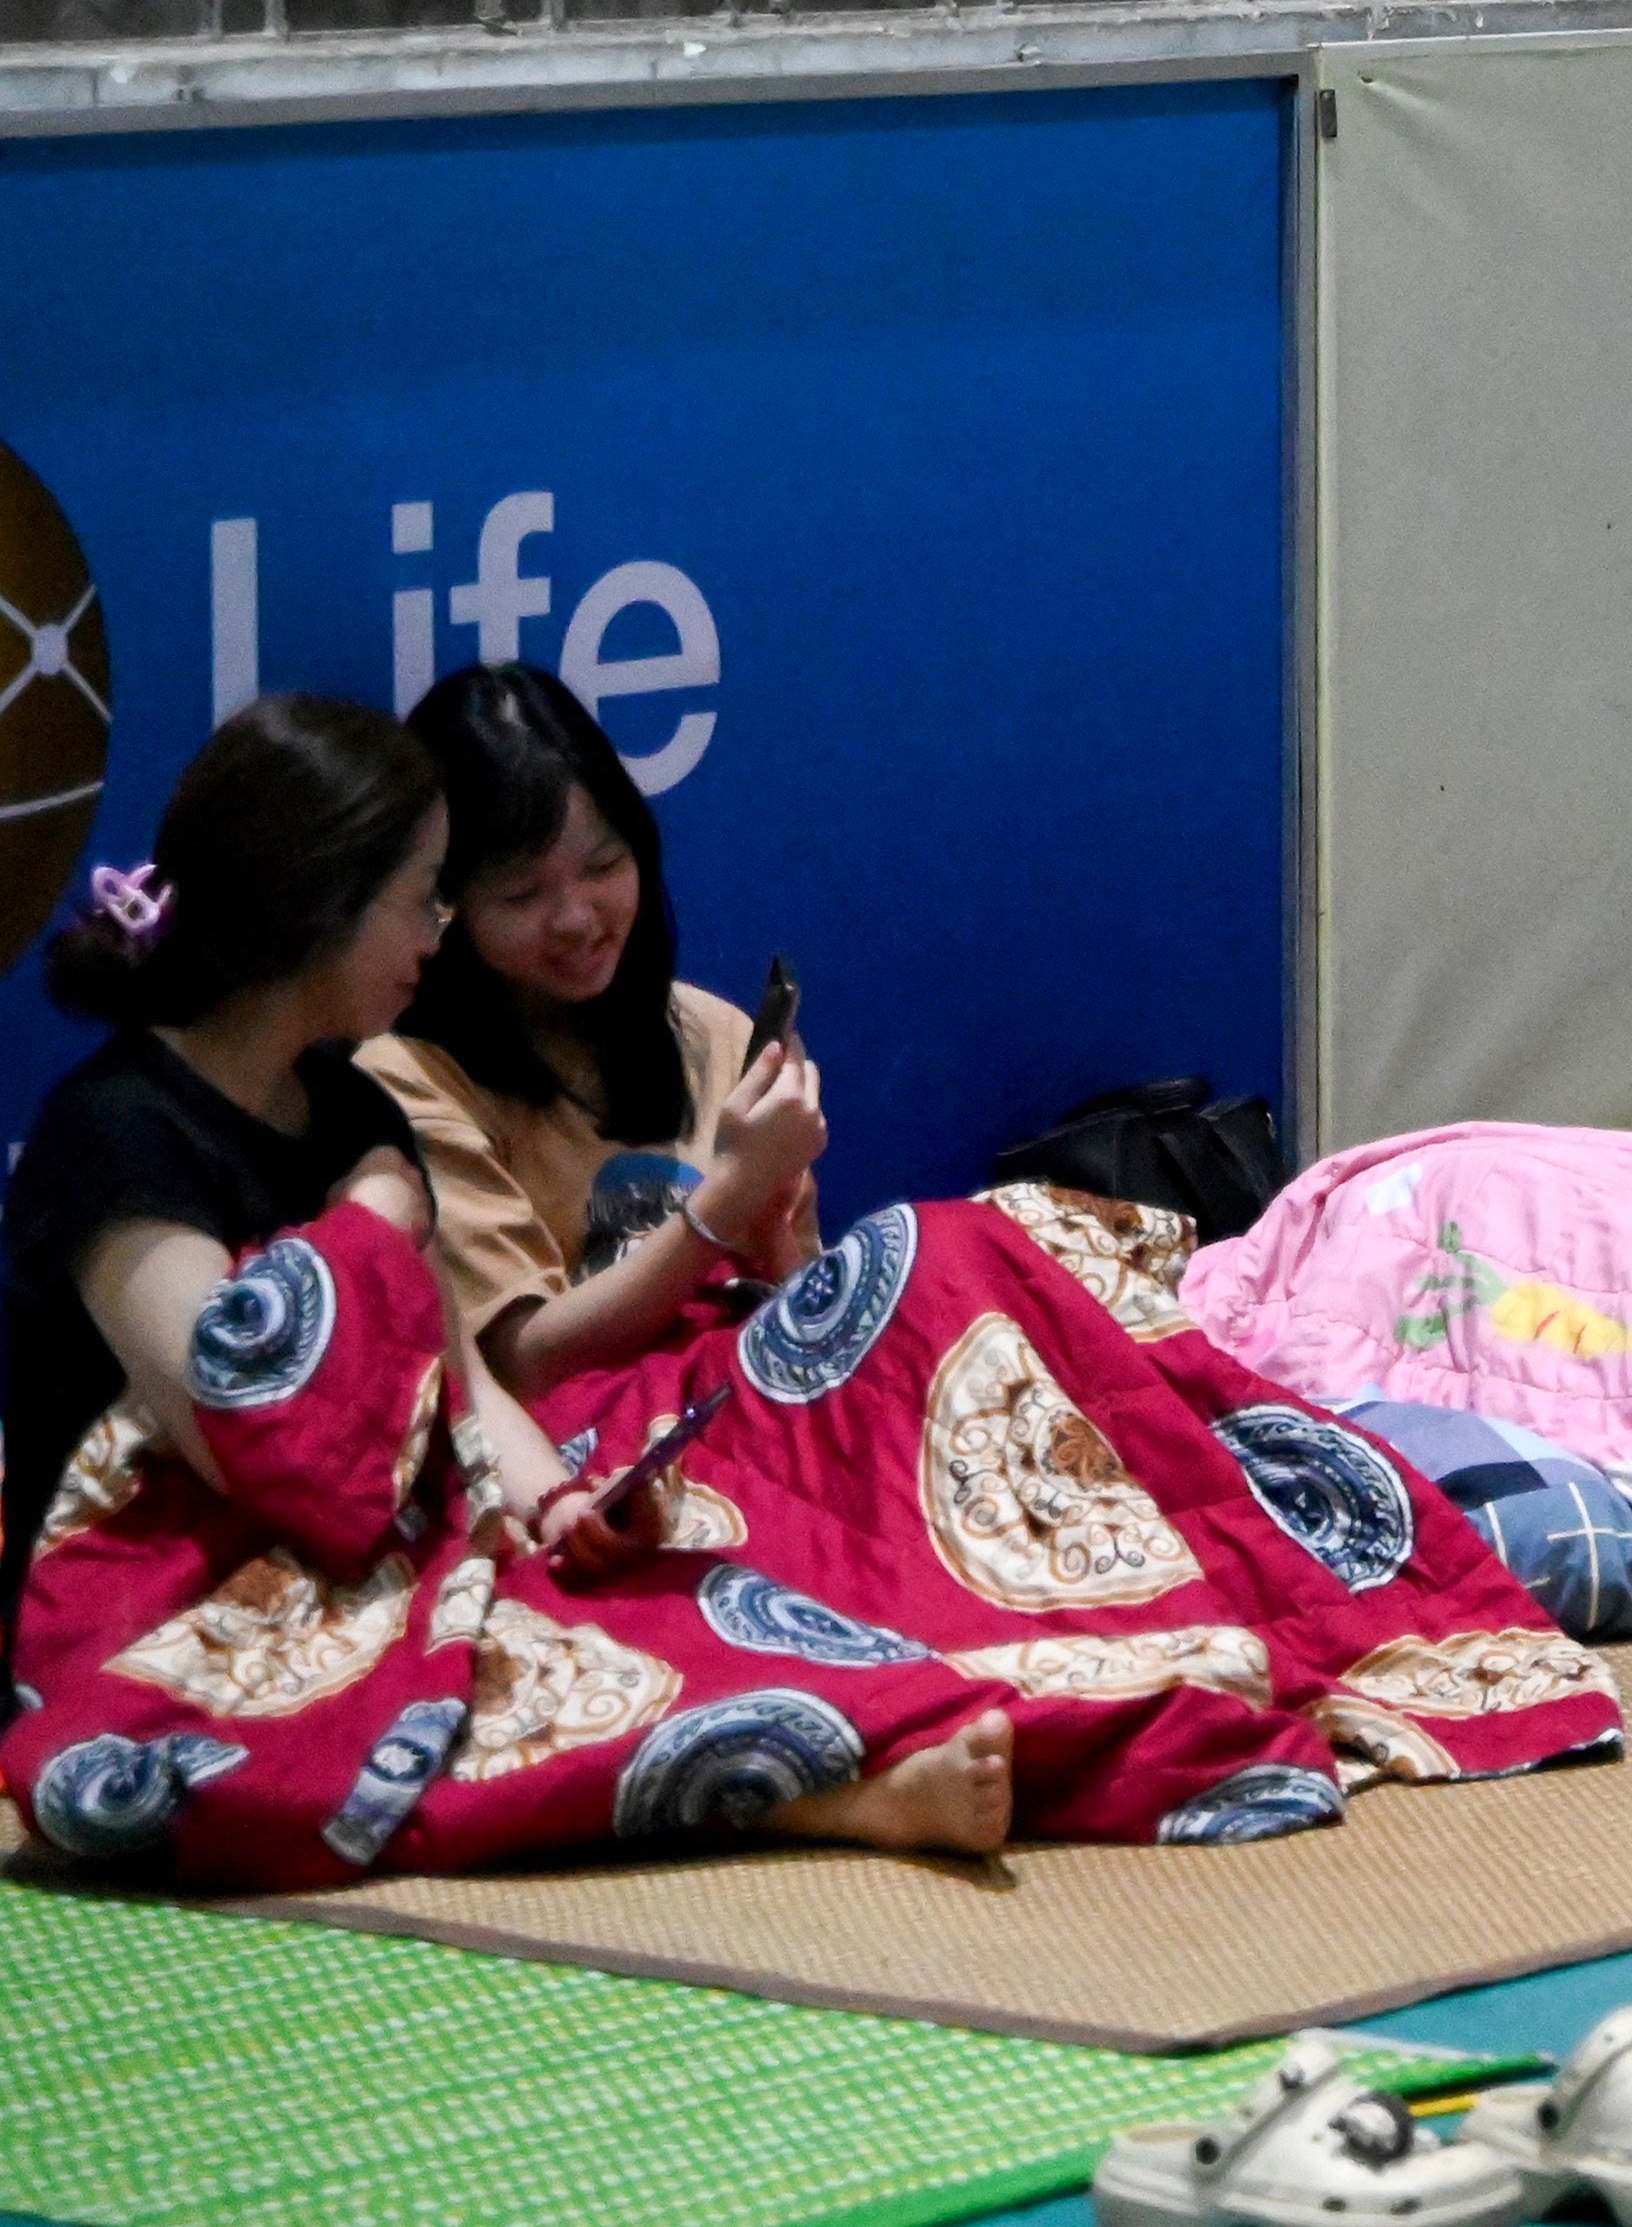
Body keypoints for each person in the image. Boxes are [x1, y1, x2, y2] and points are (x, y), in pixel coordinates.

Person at [1, 697, 1020, 1861]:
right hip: (163, 1597)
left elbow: (461, 1378)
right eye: (424, 896)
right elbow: (247, 1427)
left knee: (628, 1610)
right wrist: (378, 1217)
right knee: (374, 1728)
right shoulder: (118, 1135)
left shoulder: (349, 1102)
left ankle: (857, 1752)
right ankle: (817, 1799)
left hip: (369, 1540)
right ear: (323, 909)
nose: (434, 934)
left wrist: (550, 1506)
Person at [355, 666, 823, 1406]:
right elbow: (525, 1364)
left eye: (604, 865)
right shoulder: (407, 1082)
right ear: (445, 906)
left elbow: (804, 1328)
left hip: (752, 1417)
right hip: (586, 1467)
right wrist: (729, 1194)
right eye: (522, 894)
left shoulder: (714, 1033)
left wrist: (770, 1220)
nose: (576, 919)